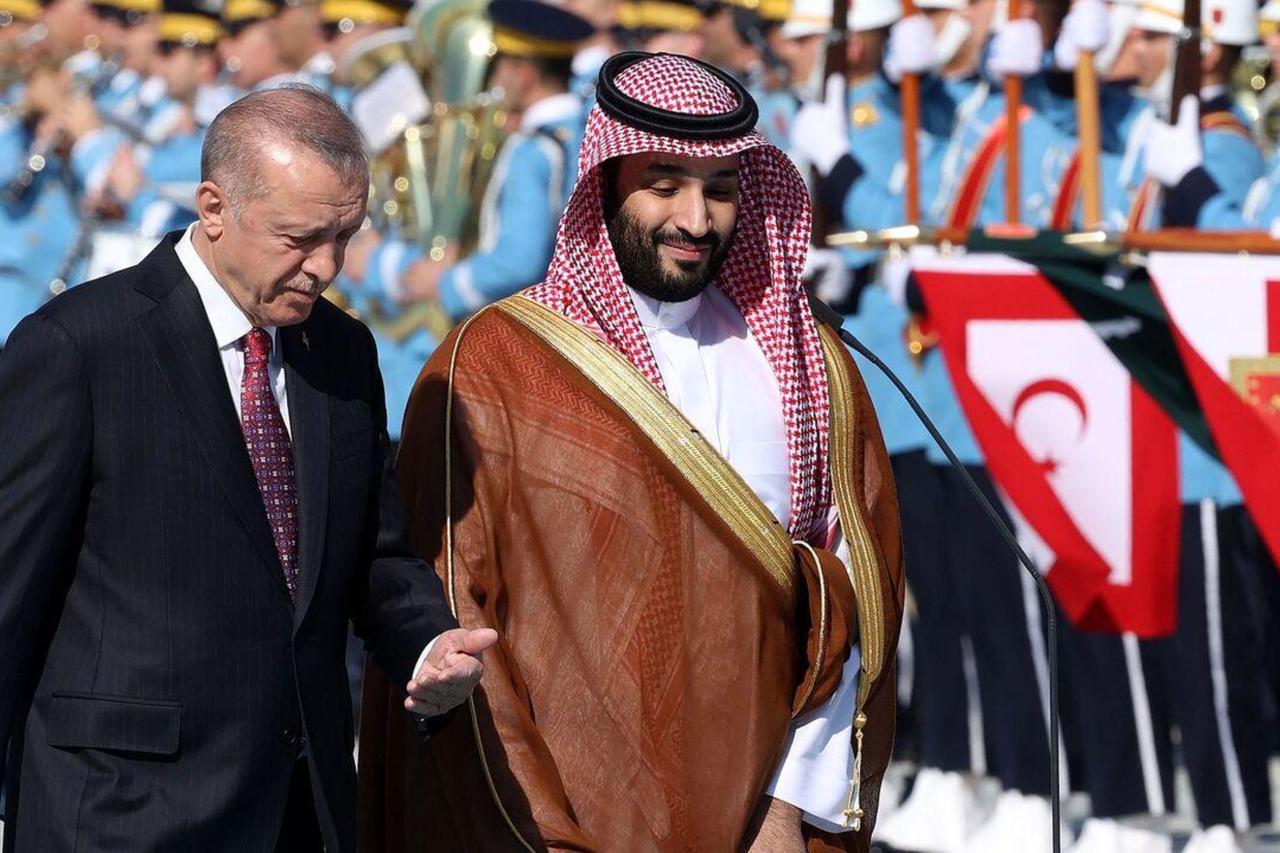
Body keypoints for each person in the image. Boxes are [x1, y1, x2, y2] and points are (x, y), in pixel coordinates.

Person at [357, 51, 904, 852]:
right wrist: (540, 829)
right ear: (605, 182)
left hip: (760, 816)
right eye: (664, 184)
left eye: (720, 190)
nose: (695, 219)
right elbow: (460, 614)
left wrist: (790, 807)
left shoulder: (807, 361)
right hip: (559, 816)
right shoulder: (499, 363)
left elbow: (850, 591)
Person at [0, 85, 495, 851]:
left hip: (303, 810)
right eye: (299, 237)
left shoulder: (341, 351)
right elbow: (9, 593)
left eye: (345, 236)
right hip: (117, 816)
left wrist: (429, 645)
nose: (325, 266)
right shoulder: (79, 348)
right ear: (214, 207)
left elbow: (372, 551)